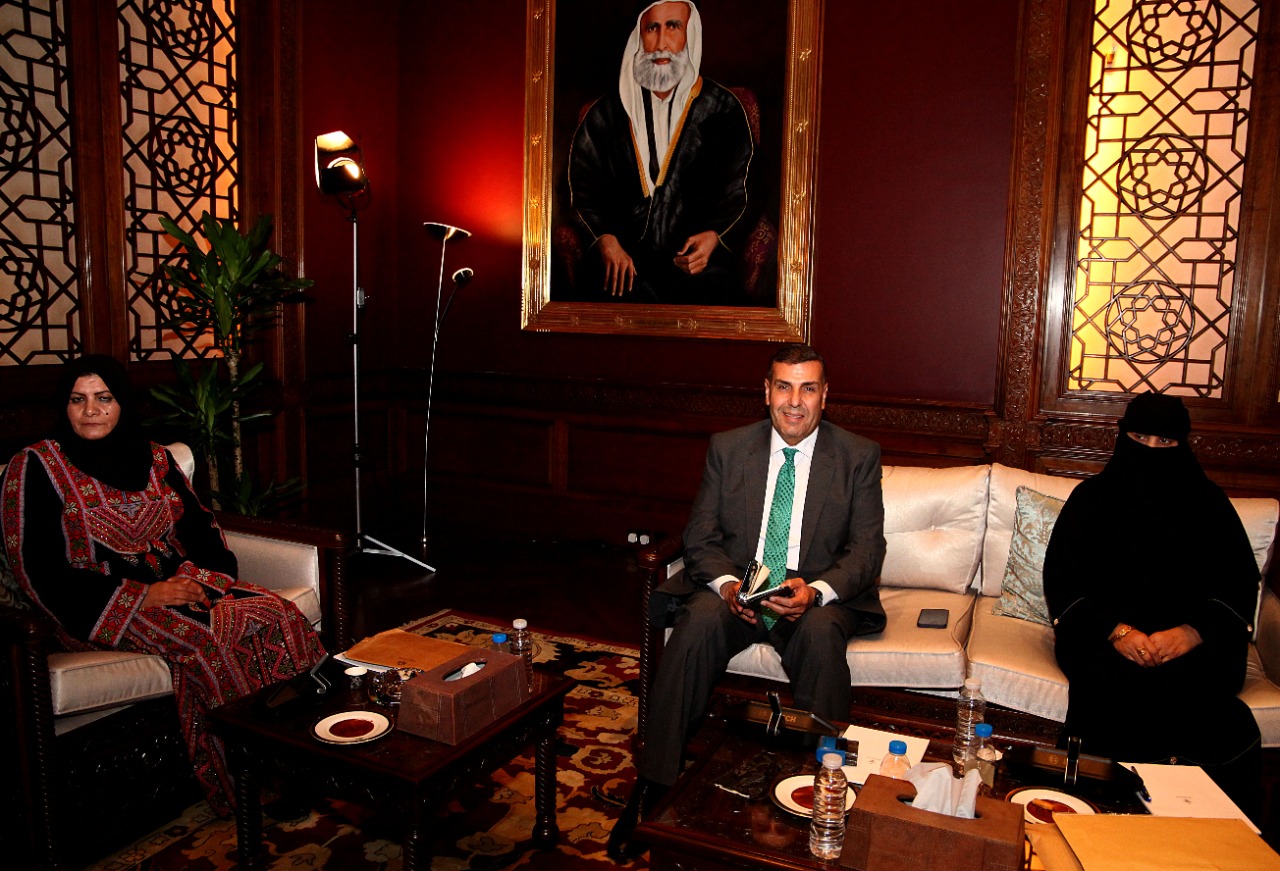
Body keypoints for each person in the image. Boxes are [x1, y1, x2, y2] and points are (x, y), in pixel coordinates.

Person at [1, 355, 325, 814]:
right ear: (64, 406)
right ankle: (252, 784)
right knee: (210, 640)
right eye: (77, 400)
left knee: (278, 614)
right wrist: (144, 596)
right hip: (96, 610)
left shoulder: (154, 458)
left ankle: (308, 756)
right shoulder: (35, 466)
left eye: (103, 398)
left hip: (181, 591)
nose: (91, 410)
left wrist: (194, 581)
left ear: (122, 403)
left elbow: (203, 532)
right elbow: (37, 571)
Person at [607, 344, 887, 860]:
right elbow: (701, 536)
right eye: (784, 387)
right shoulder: (729, 447)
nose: (794, 402)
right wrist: (727, 585)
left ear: (825, 396)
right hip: (740, 589)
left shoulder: (857, 456)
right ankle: (653, 786)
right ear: (766, 391)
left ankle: (819, 795)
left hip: (810, 593)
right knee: (695, 624)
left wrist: (816, 593)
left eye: (807, 388)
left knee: (822, 636)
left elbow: (868, 550)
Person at [1042, 392, 1262, 820]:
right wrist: (1119, 632)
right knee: (1110, 686)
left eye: (1165, 442)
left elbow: (1238, 585)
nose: (1151, 450)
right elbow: (1063, 581)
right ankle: (1109, 814)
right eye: (1140, 438)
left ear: (1183, 445)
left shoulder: (1210, 504)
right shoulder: (1091, 499)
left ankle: (1200, 823)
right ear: (1122, 437)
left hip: (1192, 641)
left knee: (1203, 699)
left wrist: (1190, 633)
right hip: (1108, 636)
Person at [566, 0, 757, 304]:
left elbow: (744, 187)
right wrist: (604, 240)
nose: (661, 43)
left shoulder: (723, 109)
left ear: (689, 35)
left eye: (673, 27)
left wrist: (714, 238)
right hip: (621, 262)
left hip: (696, 265)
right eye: (652, 28)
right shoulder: (606, 114)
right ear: (639, 36)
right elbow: (583, 189)